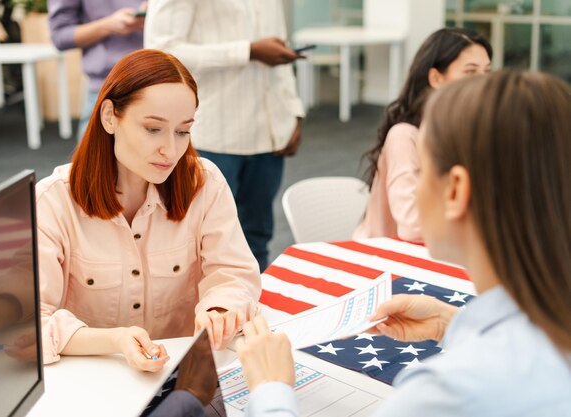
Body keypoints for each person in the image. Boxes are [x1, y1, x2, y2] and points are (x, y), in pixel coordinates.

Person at [237, 70, 571, 415]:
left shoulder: (442, 395)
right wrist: (451, 324)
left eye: (421, 171)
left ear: (455, 190)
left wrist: (270, 389)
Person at [36, 49, 261, 371]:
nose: (171, 150)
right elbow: (29, 327)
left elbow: (234, 275)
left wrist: (221, 310)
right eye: (153, 129)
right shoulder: (52, 202)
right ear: (109, 116)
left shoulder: (205, 183)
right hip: (92, 379)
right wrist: (114, 340)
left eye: (183, 131)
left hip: (185, 375)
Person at [144, 0, 305, 271]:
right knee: (197, 245)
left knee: (257, 238)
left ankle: (252, 309)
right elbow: (162, 51)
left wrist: (293, 111)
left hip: (269, 133)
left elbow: (281, 48)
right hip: (212, 133)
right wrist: (247, 51)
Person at [353, 28, 491, 242]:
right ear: (436, 78)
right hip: (384, 261)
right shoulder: (405, 136)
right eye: (470, 72)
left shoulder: (469, 130)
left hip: (441, 251)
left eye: (487, 72)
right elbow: (412, 224)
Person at [48, 0, 147, 140]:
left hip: (162, 82)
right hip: (107, 88)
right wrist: (108, 25)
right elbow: (60, 36)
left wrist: (156, 16)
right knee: (96, 159)